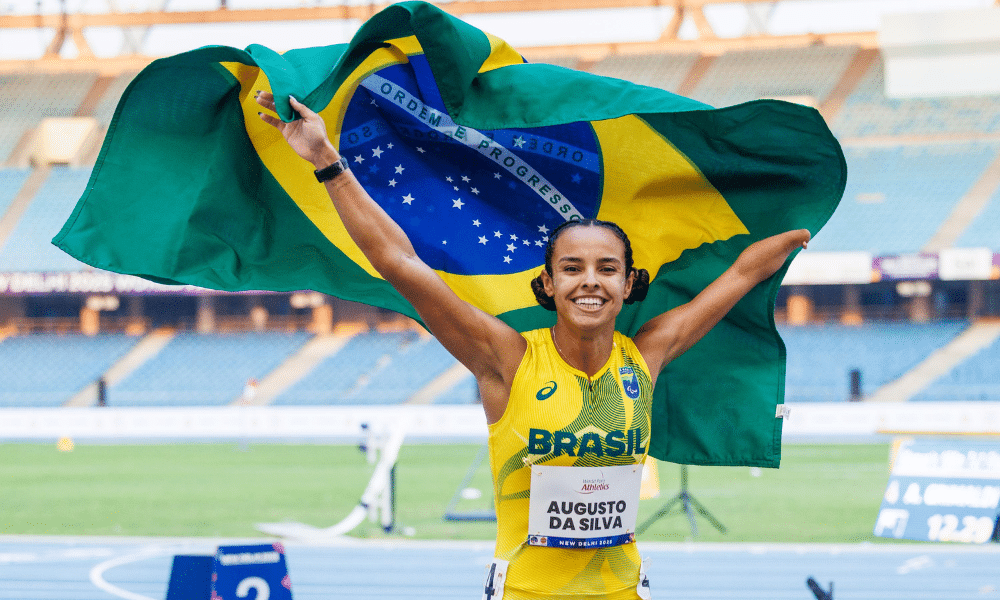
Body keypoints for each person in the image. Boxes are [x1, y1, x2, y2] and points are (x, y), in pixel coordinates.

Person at [256, 92, 809, 600]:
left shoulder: (647, 355)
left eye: (607, 268)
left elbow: (742, 273)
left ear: (628, 284)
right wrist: (327, 162)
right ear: (547, 283)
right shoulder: (506, 359)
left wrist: (800, 212)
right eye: (572, 268)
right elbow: (400, 264)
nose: (590, 281)